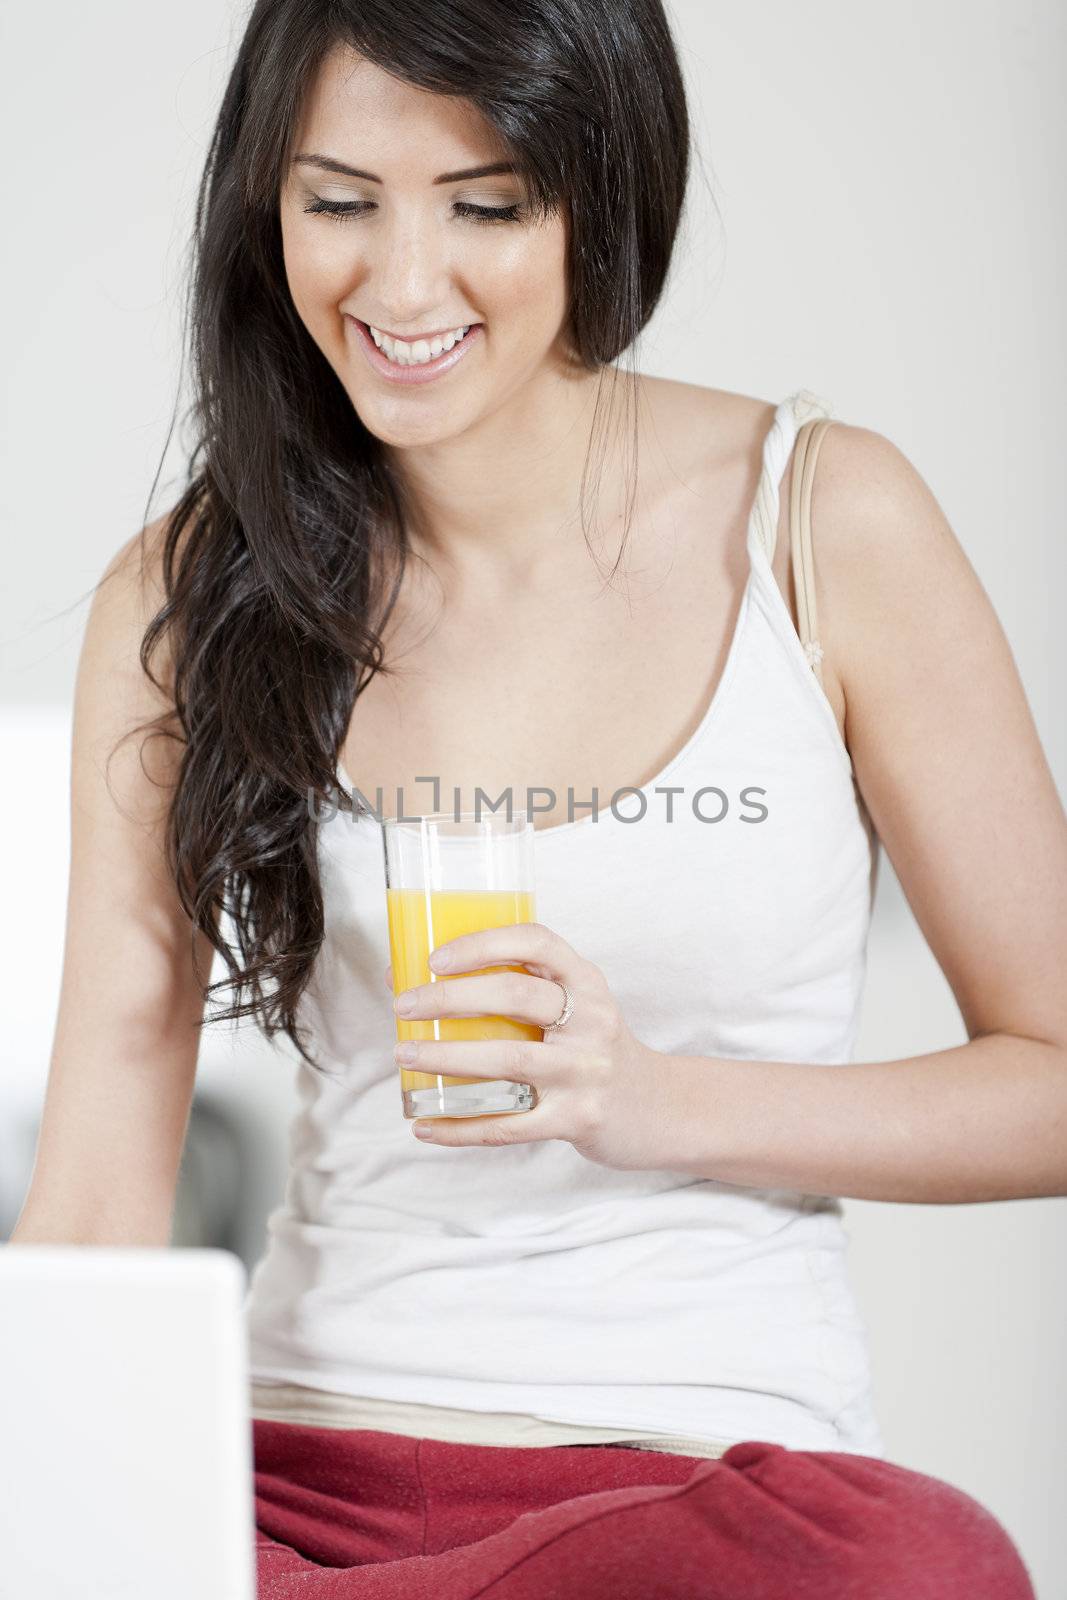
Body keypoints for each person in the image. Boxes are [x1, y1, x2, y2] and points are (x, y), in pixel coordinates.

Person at [11, 1, 1063, 1595]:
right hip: (303, 1474)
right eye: (339, 200)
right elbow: (95, 1183)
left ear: (598, 193)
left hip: (707, 1474)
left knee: (926, 1571)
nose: (402, 283)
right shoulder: (192, 595)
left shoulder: (820, 522)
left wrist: (664, 1102)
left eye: (486, 203)